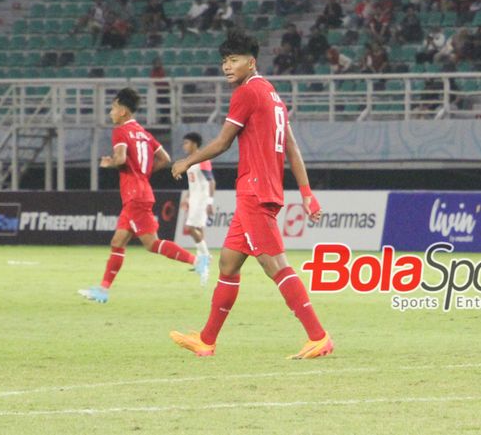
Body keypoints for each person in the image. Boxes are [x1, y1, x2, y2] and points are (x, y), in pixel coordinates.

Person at [169, 30, 333, 359]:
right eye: (224, 62)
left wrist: (187, 161)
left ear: (251, 61)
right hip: (260, 189)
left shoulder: (246, 93)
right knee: (228, 264)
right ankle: (206, 339)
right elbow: (291, 146)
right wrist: (306, 192)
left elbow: (222, 142)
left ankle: (318, 336)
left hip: (255, 191)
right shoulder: (272, 94)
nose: (227, 67)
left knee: (275, 266)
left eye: (234, 60)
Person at [78, 89, 209, 303]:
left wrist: (108, 162)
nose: (111, 112)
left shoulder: (120, 131)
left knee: (151, 244)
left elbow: (120, 158)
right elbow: (165, 158)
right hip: (141, 191)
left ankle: (198, 260)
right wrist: (144, 172)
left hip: (134, 195)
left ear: (122, 111)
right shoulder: (143, 132)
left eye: (113, 108)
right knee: (118, 241)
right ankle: (103, 290)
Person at [180, 132, 215, 272]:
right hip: (194, 198)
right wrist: (187, 197)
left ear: (194, 144)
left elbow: (211, 181)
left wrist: (209, 202)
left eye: (186, 143)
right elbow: (193, 182)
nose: (184, 146)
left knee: (189, 228)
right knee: (199, 228)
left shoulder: (202, 159)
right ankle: (202, 259)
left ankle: (206, 256)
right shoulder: (190, 160)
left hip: (201, 199)